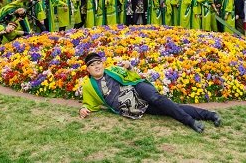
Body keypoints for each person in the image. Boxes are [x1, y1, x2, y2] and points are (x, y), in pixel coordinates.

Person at [79, 53, 221, 133]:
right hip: (133, 106)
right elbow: (88, 103)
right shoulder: (88, 86)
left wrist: (129, 67)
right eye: (92, 65)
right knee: (167, 109)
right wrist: (84, 109)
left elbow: (133, 76)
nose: (96, 66)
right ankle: (211, 115)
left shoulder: (112, 70)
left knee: (156, 98)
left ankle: (190, 122)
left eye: (98, 63)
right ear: (88, 70)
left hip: (138, 88)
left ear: (102, 64)